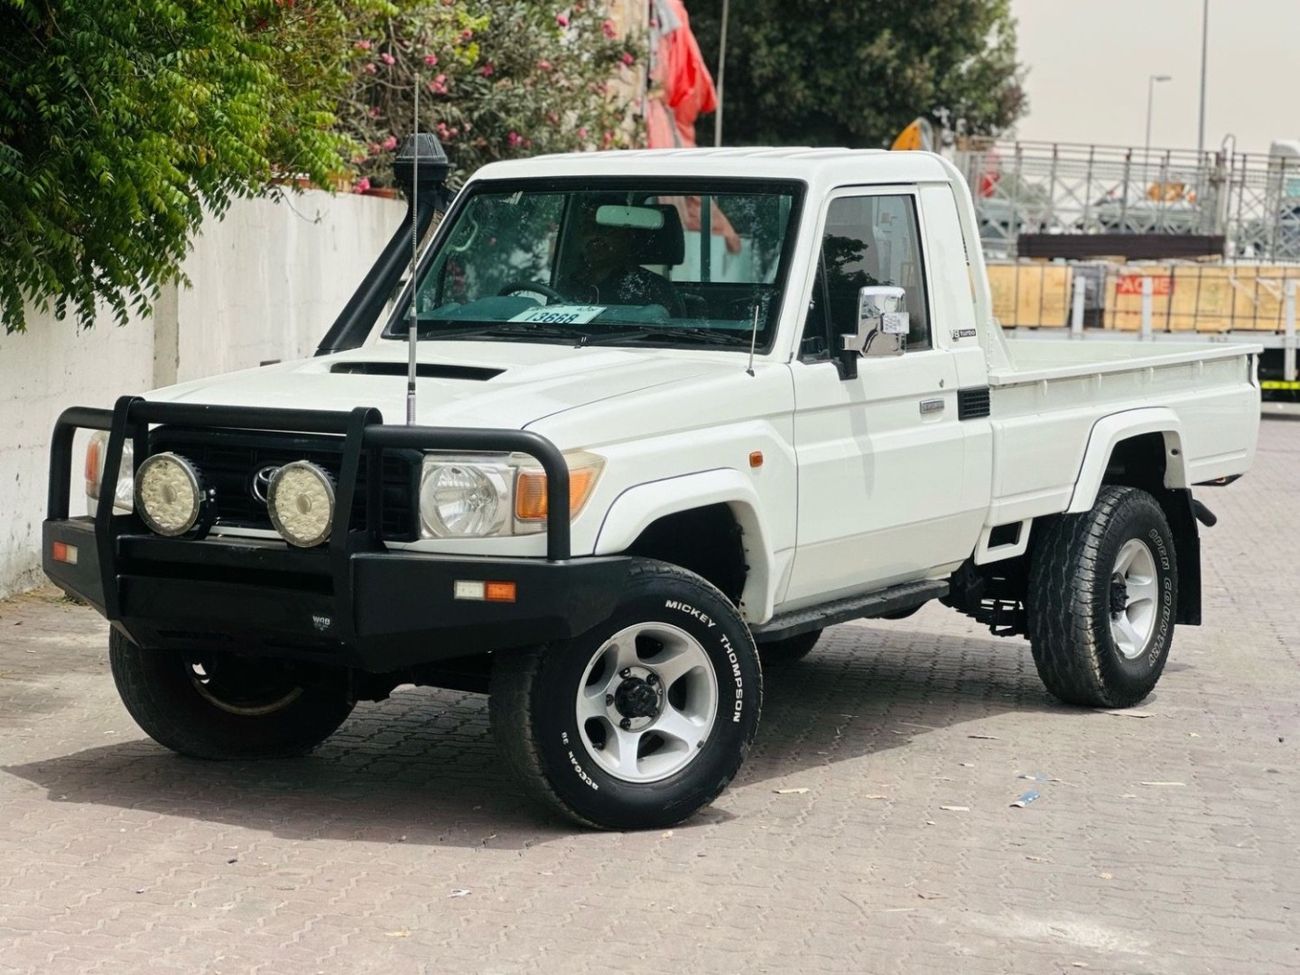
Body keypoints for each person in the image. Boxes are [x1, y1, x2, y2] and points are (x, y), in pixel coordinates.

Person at [560, 199, 684, 315]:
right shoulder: (564, 286)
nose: (594, 236)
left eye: (605, 228)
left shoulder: (654, 289)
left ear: (628, 235)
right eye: (588, 228)